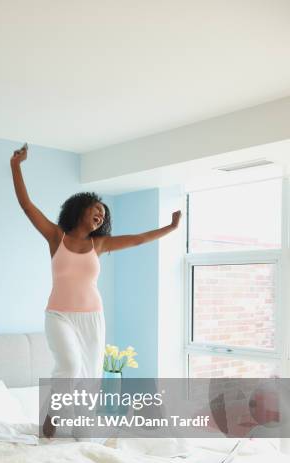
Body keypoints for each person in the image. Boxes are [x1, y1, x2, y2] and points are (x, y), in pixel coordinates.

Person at [10, 143, 182, 438]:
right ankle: (51, 417)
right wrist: (16, 165)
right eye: (97, 210)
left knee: (89, 378)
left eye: (104, 215)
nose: (101, 216)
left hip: (92, 317)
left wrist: (170, 227)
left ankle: (81, 433)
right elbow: (27, 206)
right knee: (70, 365)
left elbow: (139, 239)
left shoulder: (99, 245)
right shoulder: (55, 236)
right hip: (59, 316)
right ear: (80, 209)